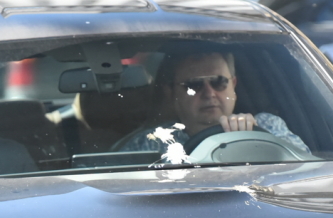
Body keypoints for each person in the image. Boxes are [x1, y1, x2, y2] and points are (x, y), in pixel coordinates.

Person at [117, 50, 308, 154]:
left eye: (219, 82)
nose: (209, 93)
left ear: (233, 85)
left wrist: (257, 139)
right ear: (172, 92)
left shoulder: (267, 125)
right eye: (194, 86)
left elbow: (310, 170)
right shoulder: (153, 143)